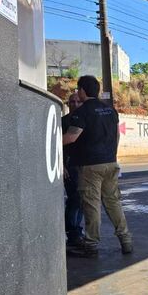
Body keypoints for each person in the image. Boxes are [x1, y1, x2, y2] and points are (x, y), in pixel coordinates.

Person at [63, 75, 133, 257]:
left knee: (91, 205)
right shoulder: (110, 111)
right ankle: (126, 240)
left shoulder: (82, 112)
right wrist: (112, 155)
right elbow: (117, 136)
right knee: (113, 203)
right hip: (110, 162)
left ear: (82, 91)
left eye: (78, 90)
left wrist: (49, 142)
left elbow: (71, 137)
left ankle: (91, 245)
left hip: (90, 166)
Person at [62, 92, 84, 248]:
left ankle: (75, 230)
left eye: (78, 101)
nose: (75, 104)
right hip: (69, 166)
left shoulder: (84, 120)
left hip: (82, 166)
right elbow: (56, 144)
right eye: (72, 102)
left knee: (80, 200)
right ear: (68, 104)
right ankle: (73, 232)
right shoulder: (63, 121)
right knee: (74, 199)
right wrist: (62, 165)